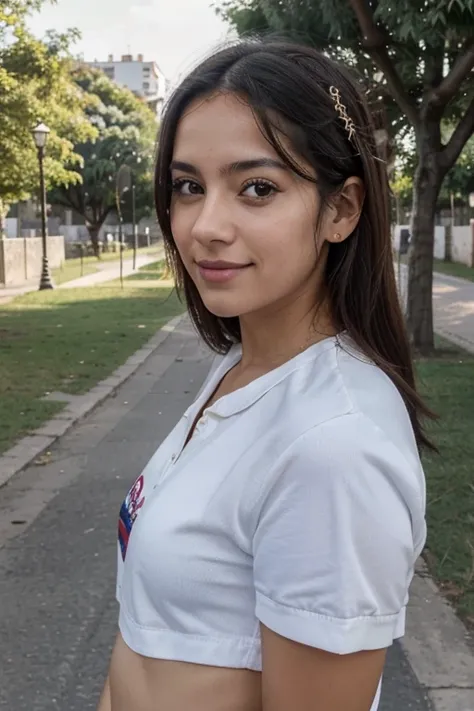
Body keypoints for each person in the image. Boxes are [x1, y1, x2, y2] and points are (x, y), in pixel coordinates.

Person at [97, 38, 431, 711]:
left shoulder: (335, 448)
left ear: (342, 209)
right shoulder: (241, 367)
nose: (204, 226)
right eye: (188, 186)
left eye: (257, 188)